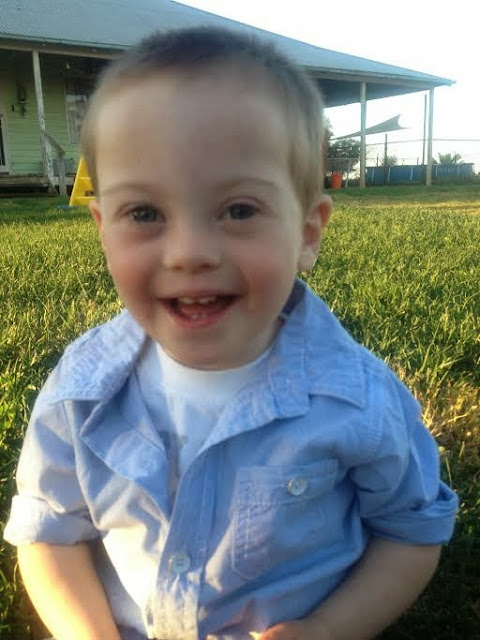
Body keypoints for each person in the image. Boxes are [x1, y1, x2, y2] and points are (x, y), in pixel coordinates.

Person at [4, 26, 458, 640]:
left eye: (239, 210)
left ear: (307, 233)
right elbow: (48, 531)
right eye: (145, 213)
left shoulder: (356, 398)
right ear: (102, 228)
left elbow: (411, 530)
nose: (189, 252)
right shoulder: (82, 389)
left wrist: (329, 629)